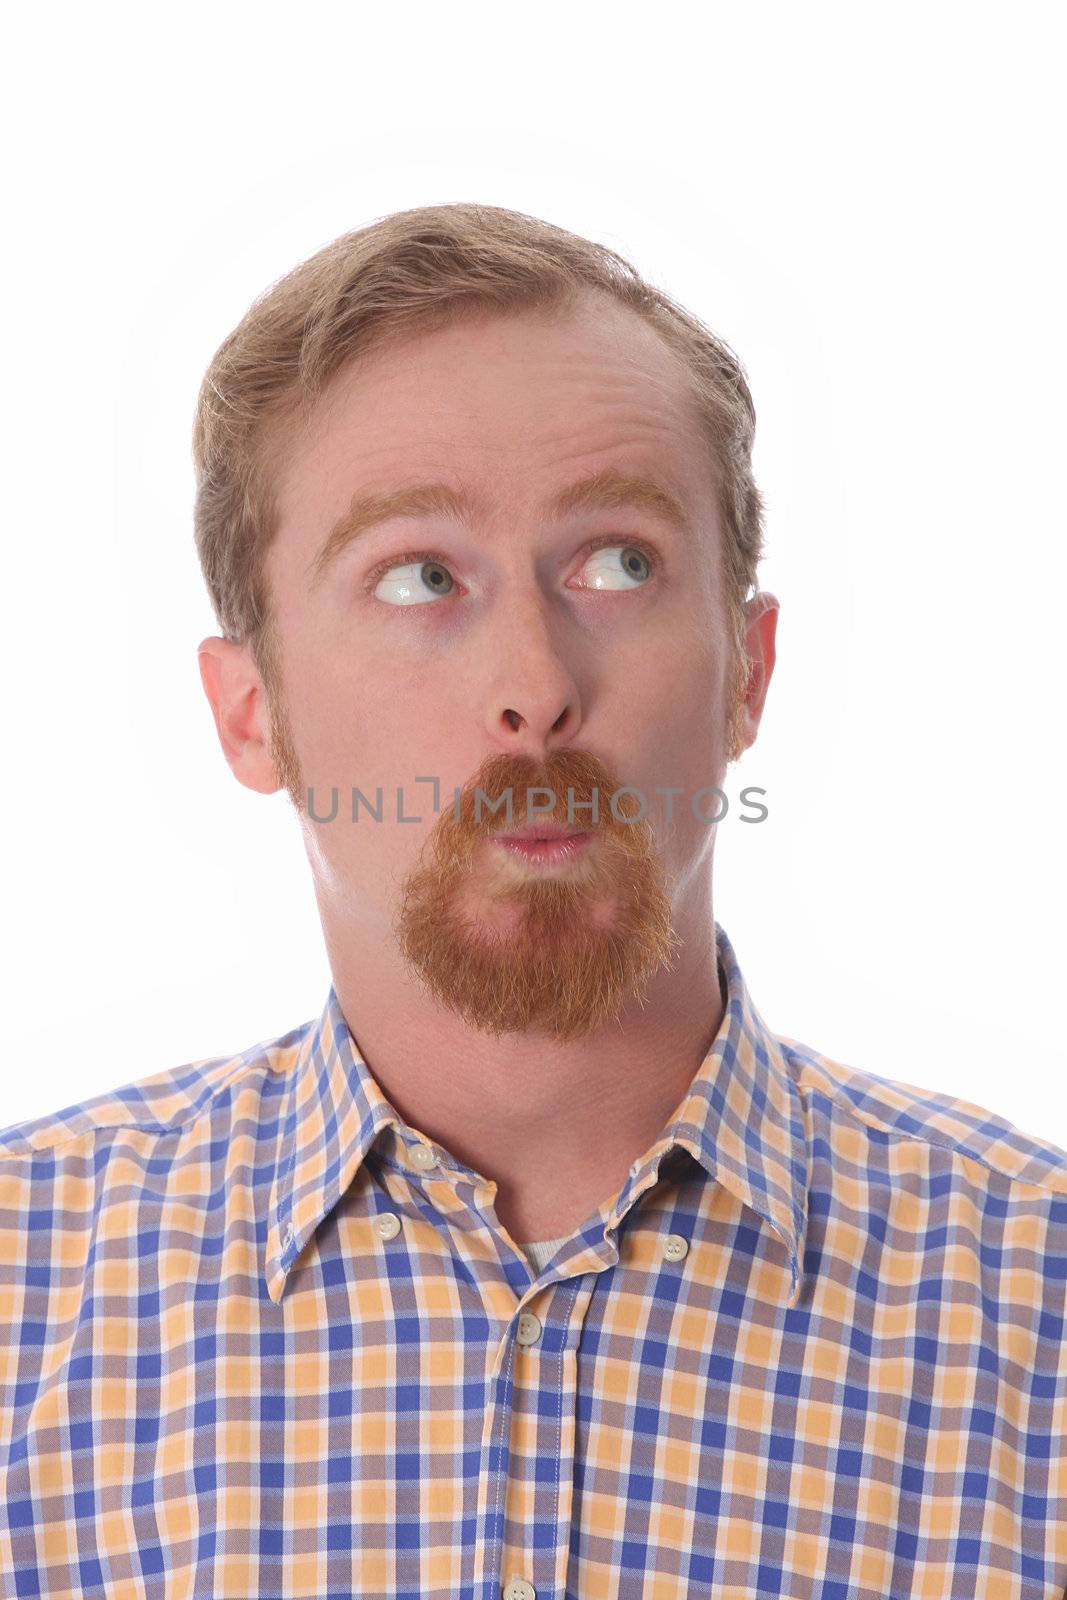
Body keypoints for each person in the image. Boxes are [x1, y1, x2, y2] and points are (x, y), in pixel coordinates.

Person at [2, 204, 1065, 1598]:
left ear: (748, 671)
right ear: (251, 711)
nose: (536, 684)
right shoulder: (25, 1296)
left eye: (618, 562)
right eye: (420, 576)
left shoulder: (1039, 1311)